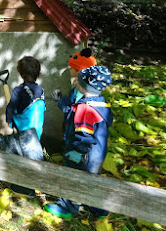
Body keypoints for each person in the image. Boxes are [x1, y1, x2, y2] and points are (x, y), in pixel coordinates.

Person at [44, 65, 113, 219]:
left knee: (73, 177)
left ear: (84, 86)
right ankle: (99, 209)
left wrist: (76, 152)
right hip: (98, 153)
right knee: (92, 180)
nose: (75, 83)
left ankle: (67, 207)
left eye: (78, 82)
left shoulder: (85, 109)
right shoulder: (101, 104)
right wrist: (61, 101)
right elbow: (71, 112)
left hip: (83, 153)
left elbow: (84, 135)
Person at [6, 56, 45, 140]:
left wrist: (9, 120)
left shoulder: (18, 90)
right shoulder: (40, 90)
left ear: (21, 74)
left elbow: (11, 107)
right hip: (36, 128)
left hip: (22, 128)